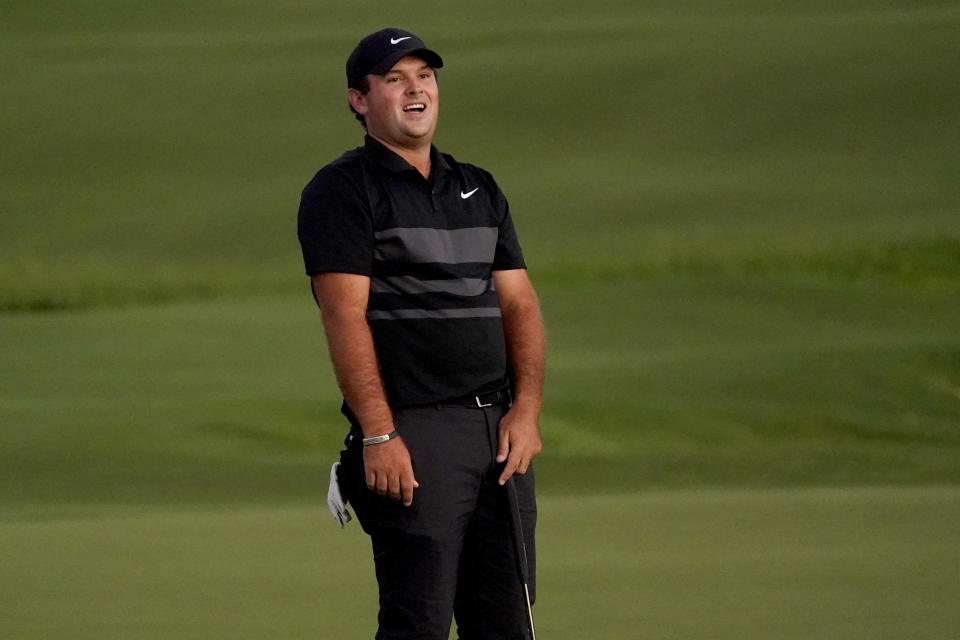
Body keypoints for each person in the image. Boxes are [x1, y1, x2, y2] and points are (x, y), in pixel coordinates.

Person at [297, 27, 545, 640]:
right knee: (419, 626)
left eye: (425, 76)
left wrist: (527, 411)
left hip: (499, 436)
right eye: (396, 78)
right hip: (415, 433)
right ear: (360, 99)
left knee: (508, 625)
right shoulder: (343, 190)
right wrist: (379, 432)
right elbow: (343, 316)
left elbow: (519, 304)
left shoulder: (478, 187)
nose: (417, 89)